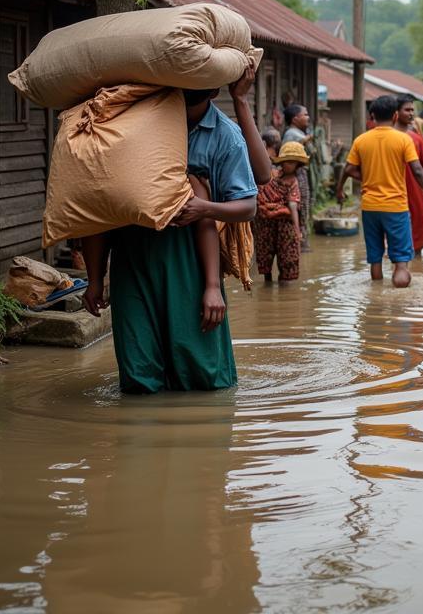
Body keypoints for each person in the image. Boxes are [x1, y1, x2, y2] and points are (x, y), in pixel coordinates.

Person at [81, 65, 268, 394]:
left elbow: (241, 206)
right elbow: (100, 208)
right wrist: (95, 279)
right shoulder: (132, 126)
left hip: (188, 259)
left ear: (213, 92)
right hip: (131, 255)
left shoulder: (223, 136)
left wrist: (211, 285)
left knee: (202, 371)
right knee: (138, 373)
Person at [336, 95, 423, 288]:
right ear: (395, 115)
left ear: (372, 116)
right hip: (396, 206)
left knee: (375, 259)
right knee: (401, 262)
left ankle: (376, 300)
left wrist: (341, 189)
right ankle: (399, 304)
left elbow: (349, 169)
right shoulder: (403, 139)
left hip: (369, 207)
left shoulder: (361, 140)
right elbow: (418, 170)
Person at [253, 141, 306, 282]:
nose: (288, 165)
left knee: (287, 259)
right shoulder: (272, 176)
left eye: (292, 163)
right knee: (265, 256)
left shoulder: (294, 182)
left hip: (285, 226)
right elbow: (260, 194)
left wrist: (296, 229)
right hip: (266, 225)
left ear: (297, 165)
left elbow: (293, 206)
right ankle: (267, 284)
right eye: (286, 162)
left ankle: (283, 287)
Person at [395, 94, 423, 257]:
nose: (411, 113)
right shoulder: (414, 138)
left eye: (413, 110)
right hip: (404, 192)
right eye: (407, 110)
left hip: (413, 192)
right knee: (416, 241)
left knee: (407, 239)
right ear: (396, 112)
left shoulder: (417, 137)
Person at [282, 103, 313, 252]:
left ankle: (301, 242)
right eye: (305, 114)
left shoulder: (297, 133)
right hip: (298, 174)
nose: (308, 117)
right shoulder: (292, 135)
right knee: (300, 206)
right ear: (295, 118)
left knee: (303, 206)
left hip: (301, 173)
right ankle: (299, 242)